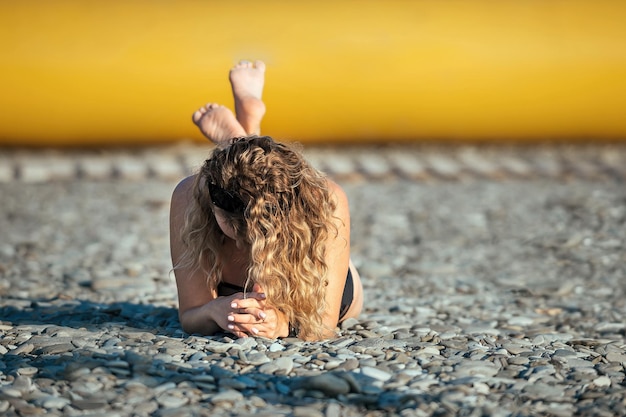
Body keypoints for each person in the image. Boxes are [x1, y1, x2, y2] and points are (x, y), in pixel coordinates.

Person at [169, 60, 363, 340]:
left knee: (254, 171)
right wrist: (214, 310)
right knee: (249, 171)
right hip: (247, 189)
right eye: (237, 230)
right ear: (211, 203)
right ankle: (241, 138)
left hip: (327, 290)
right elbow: (190, 316)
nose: (242, 243)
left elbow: (324, 325)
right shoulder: (189, 195)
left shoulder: (325, 199)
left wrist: (285, 325)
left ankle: (236, 140)